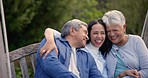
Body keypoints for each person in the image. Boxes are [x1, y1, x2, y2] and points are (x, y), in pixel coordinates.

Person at [40, 19, 112, 78]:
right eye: (85, 32)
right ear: (72, 31)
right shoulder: (53, 43)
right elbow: (50, 64)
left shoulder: (87, 57)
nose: (87, 37)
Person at [102, 10, 148, 78]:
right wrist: (122, 74)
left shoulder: (136, 41)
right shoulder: (103, 45)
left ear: (124, 27)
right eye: (108, 31)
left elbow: (147, 70)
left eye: (115, 30)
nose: (111, 34)